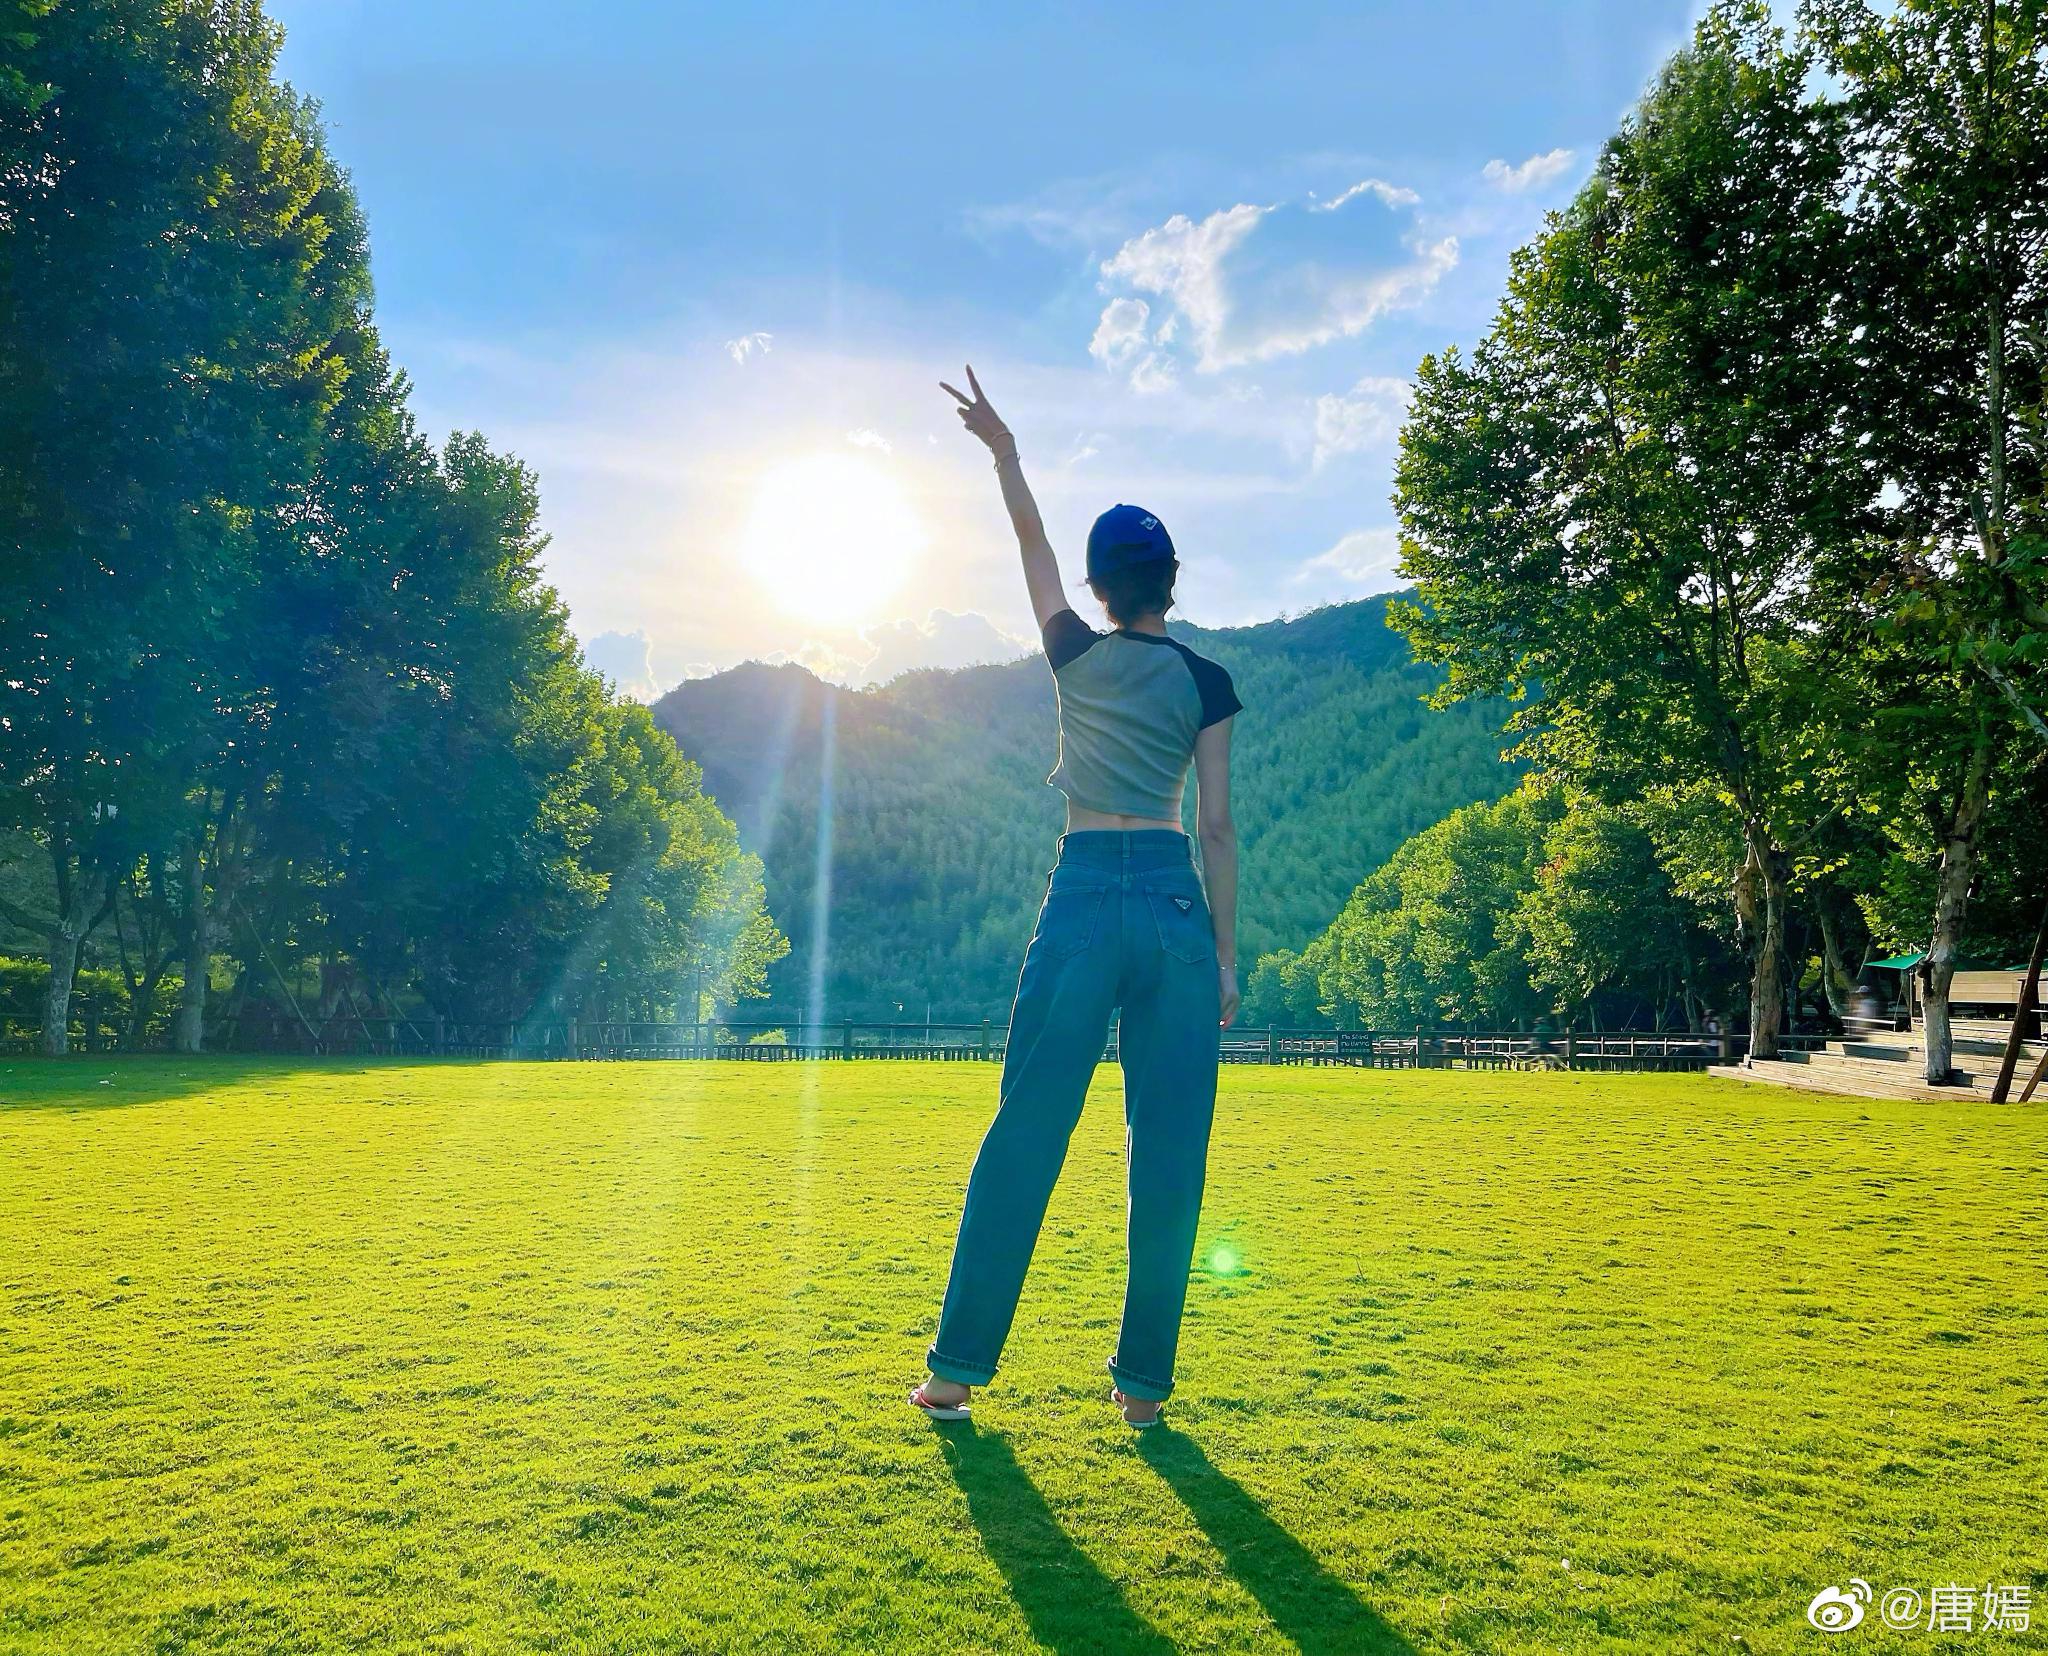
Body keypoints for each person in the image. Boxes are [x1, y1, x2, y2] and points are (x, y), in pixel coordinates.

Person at [909, 366, 1241, 1431]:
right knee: (1171, 1153)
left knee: (1026, 1132)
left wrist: (1004, 453)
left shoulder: (1073, 655)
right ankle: (1141, 1394)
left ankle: (955, 1374)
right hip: (1179, 907)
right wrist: (1227, 959)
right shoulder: (1206, 681)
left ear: (1103, 589)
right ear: (1169, 585)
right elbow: (1220, 826)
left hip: (1088, 889)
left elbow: (1028, 547)